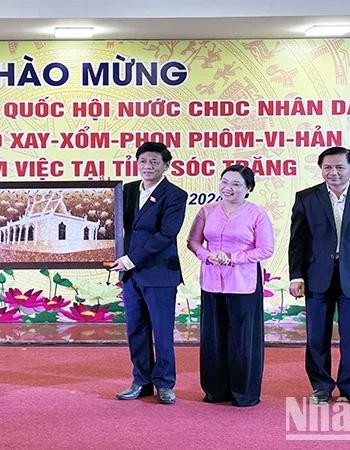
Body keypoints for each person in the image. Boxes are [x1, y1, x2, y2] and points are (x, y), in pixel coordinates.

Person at [289, 146, 350, 406]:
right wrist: (296, 275)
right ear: (321, 169)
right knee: (317, 336)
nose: (333, 172)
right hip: (316, 276)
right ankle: (320, 386)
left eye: (339, 167)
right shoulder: (306, 198)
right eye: (327, 167)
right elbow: (297, 242)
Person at [187, 164, 274, 407]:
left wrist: (232, 258)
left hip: (243, 283)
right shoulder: (207, 210)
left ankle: (244, 393)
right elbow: (193, 241)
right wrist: (206, 255)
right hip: (212, 281)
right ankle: (215, 390)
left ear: (248, 189)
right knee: (213, 338)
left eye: (236, 184)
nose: (229, 188)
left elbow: (266, 249)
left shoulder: (257, 214)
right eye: (225, 182)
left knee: (242, 339)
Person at [110, 141, 188, 405]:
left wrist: (131, 260)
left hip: (159, 275)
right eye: (143, 161)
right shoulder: (126, 191)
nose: (147, 166)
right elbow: (110, 225)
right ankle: (140, 381)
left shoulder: (175, 195)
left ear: (167, 165)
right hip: (131, 276)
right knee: (136, 331)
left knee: (162, 332)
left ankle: (165, 384)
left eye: (154, 161)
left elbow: (166, 234)